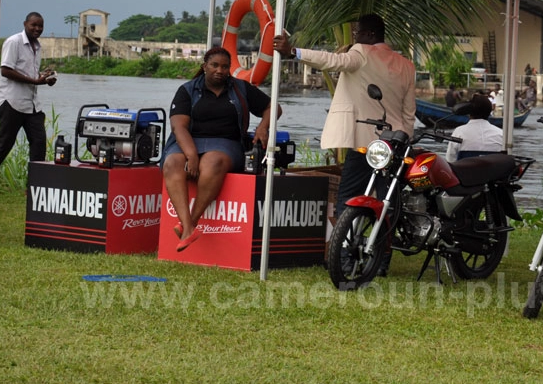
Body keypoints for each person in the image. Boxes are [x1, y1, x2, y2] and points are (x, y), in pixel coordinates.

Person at [273, 13, 415, 216]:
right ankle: (384, 246)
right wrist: (404, 143)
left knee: (348, 198)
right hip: (393, 146)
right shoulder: (406, 65)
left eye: (358, 32)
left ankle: (345, 247)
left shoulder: (362, 53)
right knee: (388, 203)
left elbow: (333, 61)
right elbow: (409, 113)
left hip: (365, 144)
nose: (355, 37)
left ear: (369, 34)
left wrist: (294, 52)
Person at [163, 46, 277, 252]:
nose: (220, 70)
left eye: (225, 67)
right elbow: (178, 126)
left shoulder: (241, 88)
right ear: (204, 66)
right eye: (214, 65)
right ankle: (188, 227)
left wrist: (262, 127)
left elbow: (273, 106)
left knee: (212, 161)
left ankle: (191, 224)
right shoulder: (187, 90)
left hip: (226, 143)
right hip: (189, 140)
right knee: (172, 163)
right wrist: (190, 155)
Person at [0, 12, 57, 211]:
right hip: (12, 101)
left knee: (39, 143)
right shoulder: (14, 42)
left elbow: (30, 73)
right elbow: (6, 70)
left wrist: (44, 78)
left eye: (40, 26)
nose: (37, 29)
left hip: (31, 104)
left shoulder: (37, 46)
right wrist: (35, 80)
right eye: (34, 25)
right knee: (4, 145)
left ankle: (35, 192)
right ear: (25, 24)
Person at [445, 93, 504, 162]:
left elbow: (450, 160)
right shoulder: (501, 134)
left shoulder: (459, 132)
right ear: (489, 111)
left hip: (464, 171)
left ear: (469, 111)